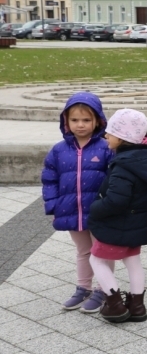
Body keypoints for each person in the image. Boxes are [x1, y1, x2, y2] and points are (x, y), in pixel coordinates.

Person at [88, 109, 147, 323]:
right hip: (138, 223)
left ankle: (114, 305)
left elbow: (116, 200)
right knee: (133, 261)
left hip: (118, 224)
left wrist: (95, 208)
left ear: (123, 138)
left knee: (96, 259)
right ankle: (137, 306)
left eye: (110, 133)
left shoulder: (124, 167)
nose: (106, 136)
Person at [43, 93, 115, 313]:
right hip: (70, 210)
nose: (80, 125)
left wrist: (110, 205)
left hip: (98, 211)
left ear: (97, 121)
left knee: (101, 251)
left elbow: (114, 178)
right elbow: (49, 178)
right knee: (83, 250)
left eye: (86, 120)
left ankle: (105, 290)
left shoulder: (106, 148)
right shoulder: (58, 150)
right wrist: (54, 205)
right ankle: (83, 287)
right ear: (66, 122)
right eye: (75, 120)